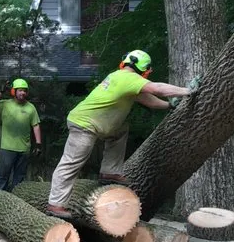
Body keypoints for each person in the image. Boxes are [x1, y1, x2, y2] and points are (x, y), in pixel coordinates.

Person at [45, 50, 192, 220]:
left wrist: (168, 106)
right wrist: (187, 90)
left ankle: (109, 171)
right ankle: (55, 204)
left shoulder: (122, 78)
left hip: (97, 123)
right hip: (84, 124)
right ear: (144, 68)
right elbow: (157, 88)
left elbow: (148, 99)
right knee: (71, 163)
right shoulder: (128, 78)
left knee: (121, 129)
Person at [0, 78, 43, 191]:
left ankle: (15, 201)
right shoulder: (6, 104)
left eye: (24, 90)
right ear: (14, 91)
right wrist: (1, 92)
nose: (22, 93)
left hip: (24, 149)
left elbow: (36, 126)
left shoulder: (31, 107)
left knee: (19, 179)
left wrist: (38, 144)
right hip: (7, 148)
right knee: (3, 177)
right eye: (20, 90)